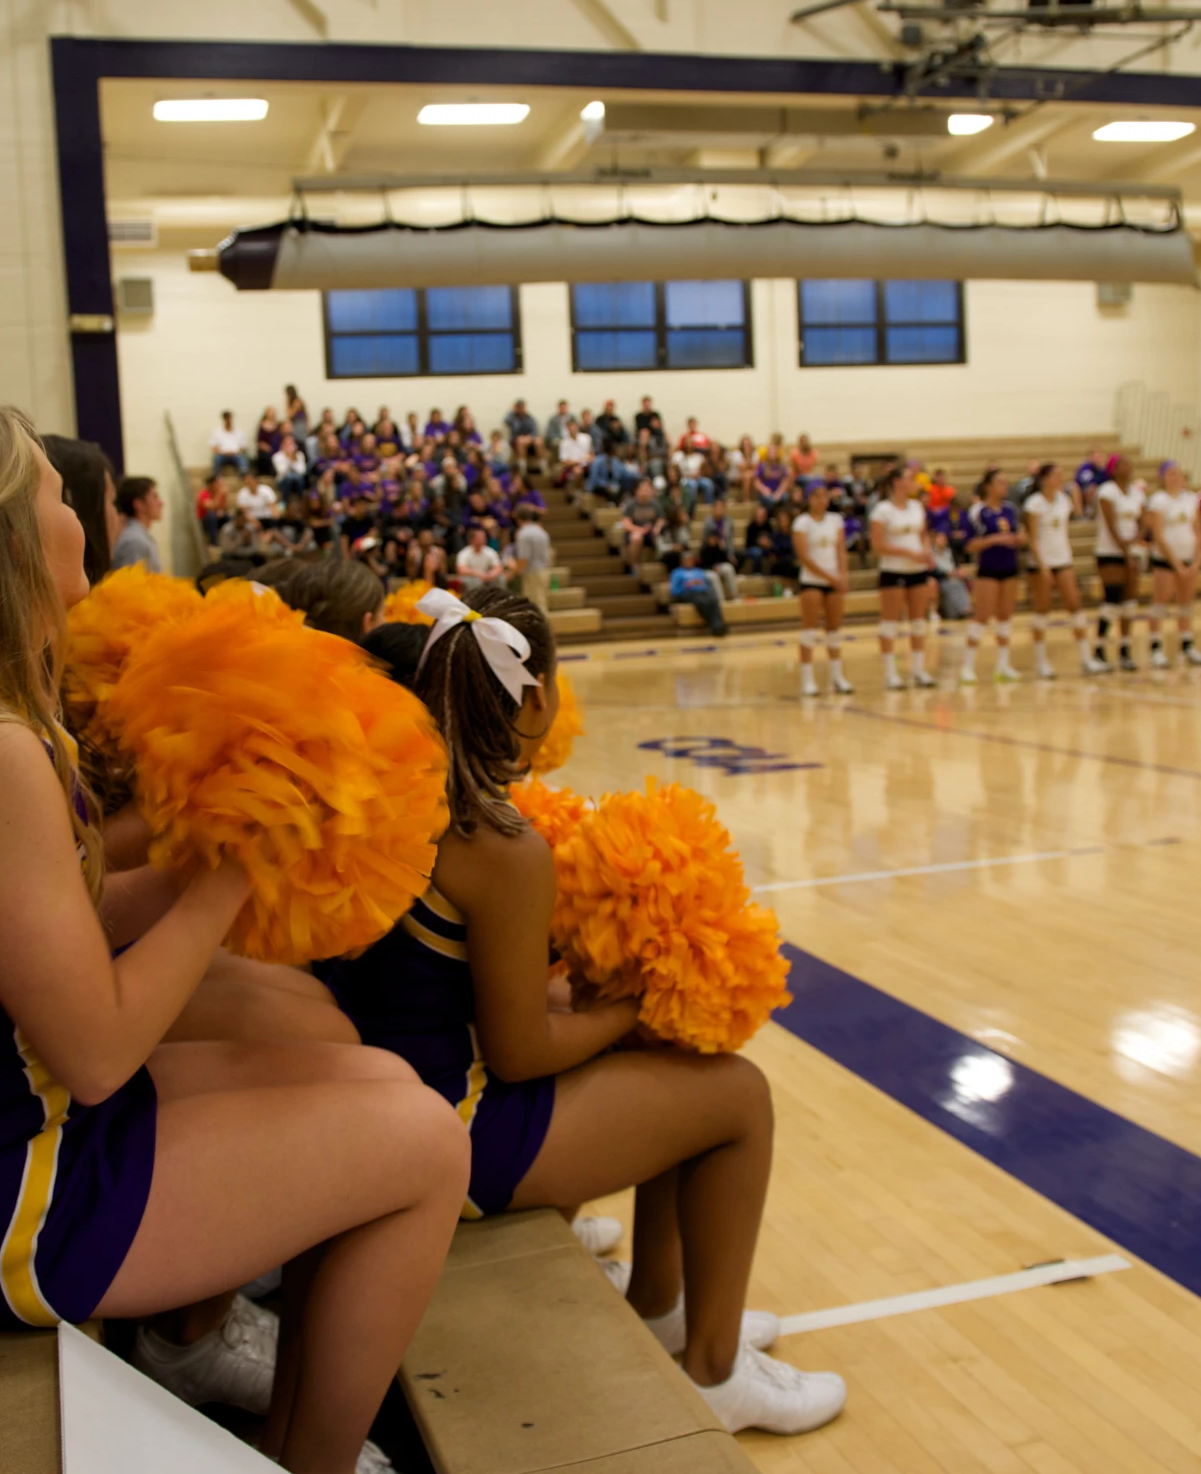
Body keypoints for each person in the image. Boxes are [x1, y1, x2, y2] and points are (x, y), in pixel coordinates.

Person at [0, 387, 467, 1474]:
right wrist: (231, 870)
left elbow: (64, 927)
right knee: (430, 1143)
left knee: (385, 1082)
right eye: (63, 493)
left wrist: (223, 840)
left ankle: (286, 1437)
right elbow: (100, 1053)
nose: (87, 515)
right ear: (17, 535)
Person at [328, 586, 845, 1436]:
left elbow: (447, 993)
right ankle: (715, 1374)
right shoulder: (499, 844)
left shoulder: (404, 801)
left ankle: (662, 1306)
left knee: (678, 1075)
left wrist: (592, 999)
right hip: (457, 1130)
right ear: (533, 699)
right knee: (736, 1096)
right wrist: (630, 1003)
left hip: (399, 1095)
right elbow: (522, 1053)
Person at [1022, 463, 1095, 679]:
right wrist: (1042, 564)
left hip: (1063, 559)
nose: (1059, 478)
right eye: (1055, 475)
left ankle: (1086, 658)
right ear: (1044, 479)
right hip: (1041, 563)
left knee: (1075, 604)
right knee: (1042, 608)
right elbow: (1032, 537)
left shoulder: (1064, 500)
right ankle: (1041, 661)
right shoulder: (1034, 504)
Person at [869, 469, 936, 690]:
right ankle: (890, 674)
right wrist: (908, 553)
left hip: (917, 571)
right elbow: (877, 545)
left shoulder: (917, 507)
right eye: (910, 478)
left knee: (918, 622)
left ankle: (918, 670)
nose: (914, 482)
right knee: (890, 623)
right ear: (897, 482)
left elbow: (923, 534)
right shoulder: (882, 510)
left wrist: (926, 552)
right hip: (893, 571)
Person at [959, 470, 1023, 684]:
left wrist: (1018, 539)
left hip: (1010, 566)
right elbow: (969, 544)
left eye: (1006, 482)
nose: (1005, 486)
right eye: (1000, 482)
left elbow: (1020, 534)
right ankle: (967, 666)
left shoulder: (1011, 510)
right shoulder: (977, 511)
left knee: (1005, 615)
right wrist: (993, 540)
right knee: (982, 614)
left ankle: (1003, 665)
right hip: (988, 568)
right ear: (988, 486)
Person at [791, 482, 852, 695]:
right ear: (809, 499)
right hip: (812, 581)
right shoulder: (802, 523)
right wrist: (829, 577)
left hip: (834, 582)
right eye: (816, 496)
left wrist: (842, 576)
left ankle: (837, 676)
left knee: (834, 630)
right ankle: (807, 679)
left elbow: (841, 551)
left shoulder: (836, 521)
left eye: (824, 496)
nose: (821, 500)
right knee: (809, 629)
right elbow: (804, 557)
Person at [1144, 461, 1201, 668]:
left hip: (1188, 557)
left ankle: (1187, 644)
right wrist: (1175, 562)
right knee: (1161, 600)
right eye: (1170, 474)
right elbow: (1158, 534)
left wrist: (1197, 559)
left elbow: (1198, 530)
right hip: (1166, 560)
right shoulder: (1158, 500)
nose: (1175, 477)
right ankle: (1156, 647)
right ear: (1162, 477)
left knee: (1186, 601)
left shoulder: (1190, 499)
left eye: (1177, 474)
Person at [1092, 455, 1149, 671]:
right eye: (1122, 464)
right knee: (1112, 599)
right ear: (1113, 469)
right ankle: (1099, 649)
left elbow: (1143, 520)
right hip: (1110, 551)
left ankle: (1125, 650)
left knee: (1129, 602)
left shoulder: (1136, 492)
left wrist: (1137, 539)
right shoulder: (1107, 491)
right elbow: (1111, 525)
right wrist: (1125, 549)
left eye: (1129, 463)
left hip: (1132, 552)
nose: (1127, 467)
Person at [668, 551, 728, 637]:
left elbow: (706, 585)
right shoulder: (677, 572)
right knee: (702, 602)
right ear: (682, 561)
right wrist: (687, 585)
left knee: (713, 600)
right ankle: (714, 626)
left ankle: (720, 624)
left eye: (690, 560)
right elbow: (674, 590)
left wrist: (699, 583)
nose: (688, 562)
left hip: (702, 591)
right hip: (688, 592)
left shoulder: (698, 571)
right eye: (686, 560)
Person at [113, 475, 164, 572]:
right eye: (155, 497)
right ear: (138, 504)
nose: (161, 503)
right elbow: (131, 585)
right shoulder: (135, 541)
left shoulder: (138, 537)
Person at [510, 505, 553, 608]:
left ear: (518, 519)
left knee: (536, 604)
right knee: (541, 601)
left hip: (532, 572)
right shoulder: (542, 532)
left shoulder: (523, 534)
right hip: (544, 570)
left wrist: (513, 572)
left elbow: (524, 559)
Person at [209, 411, 247, 476]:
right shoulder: (217, 432)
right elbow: (214, 448)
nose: (228, 420)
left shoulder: (239, 432)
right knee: (217, 458)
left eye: (229, 418)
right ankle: (216, 477)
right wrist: (224, 453)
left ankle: (244, 476)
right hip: (222, 455)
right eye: (226, 418)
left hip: (236, 454)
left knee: (242, 458)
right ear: (223, 420)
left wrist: (235, 452)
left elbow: (243, 448)